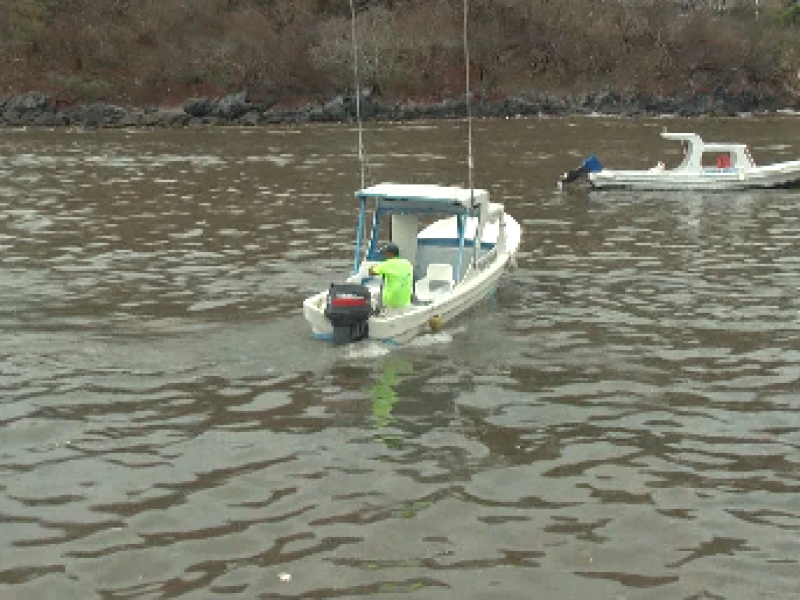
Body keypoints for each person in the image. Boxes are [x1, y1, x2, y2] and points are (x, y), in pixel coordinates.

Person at [369, 243, 413, 308]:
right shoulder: (407, 263)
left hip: (391, 301)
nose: (384, 256)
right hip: (405, 301)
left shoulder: (387, 264)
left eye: (384, 254)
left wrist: (374, 266)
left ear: (389, 253)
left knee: (372, 297)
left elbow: (371, 272)